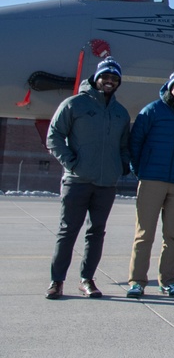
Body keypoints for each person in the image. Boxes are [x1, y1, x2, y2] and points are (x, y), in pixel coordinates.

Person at [44, 58, 131, 300]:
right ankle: (57, 281)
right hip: (77, 181)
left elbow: (125, 145)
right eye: (105, 77)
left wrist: (121, 166)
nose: (109, 82)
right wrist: (72, 163)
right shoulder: (74, 104)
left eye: (114, 79)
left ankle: (87, 279)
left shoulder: (120, 113)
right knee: (68, 231)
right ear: (96, 78)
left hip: (106, 184)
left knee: (96, 233)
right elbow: (54, 136)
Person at [126, 65, 174, 298]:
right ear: (169, 88)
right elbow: (135, 143)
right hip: (151, 180)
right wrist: (140, 171)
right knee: (144, 234)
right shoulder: (152, 111)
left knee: (172, 235)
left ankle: (168, 281)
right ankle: (137, 281)